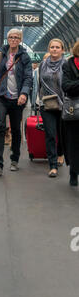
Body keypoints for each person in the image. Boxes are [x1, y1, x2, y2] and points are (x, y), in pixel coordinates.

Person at [0, 28, 32, 175]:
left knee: (16, 129)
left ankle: (15, 159)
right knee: (0, 126)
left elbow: (28, 77)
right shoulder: (1, 54)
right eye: (11, 37)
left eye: (17, 37)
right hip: (1, 96)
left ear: (20, 39)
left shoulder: (24, 56)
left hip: (18, 99)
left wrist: (24, 93)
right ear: (7, 38)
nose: (14, 39)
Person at [35, 39, 65, 177]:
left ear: (62, 50)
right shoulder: (43, 65)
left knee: (62, 133)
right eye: (52, 47)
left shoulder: (67, 65)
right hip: (46, 104)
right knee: (51, 134)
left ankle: (60, 153)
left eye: (57, 47)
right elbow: (39, 84)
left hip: (64, 104)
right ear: (48, 49)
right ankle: (53, 165)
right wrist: (37, 101)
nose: (54, 49)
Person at [61, 39, 79, 186]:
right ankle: (73, 171)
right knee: (73, 143)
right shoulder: (68, 64)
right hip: (74, 111)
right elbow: (66, 86)